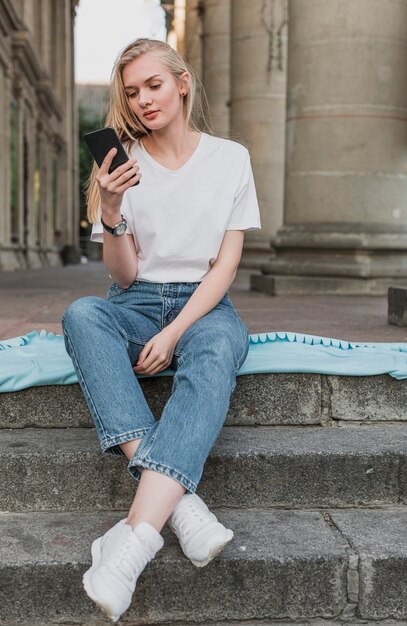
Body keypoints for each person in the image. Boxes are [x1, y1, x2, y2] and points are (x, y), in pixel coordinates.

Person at [62, 37, 261, 622]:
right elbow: (121, 276)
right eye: (132, 92)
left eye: (154, 85)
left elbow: (226, 265)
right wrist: (111, 211)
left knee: (221, 344)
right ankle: (181, 507)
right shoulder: (117, 167)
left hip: (203, 305)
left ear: (182, 82)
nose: (144, 100)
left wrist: (174, 332)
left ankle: (134, 539)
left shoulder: (230, 158)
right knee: (82, 315)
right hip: (136, 301)